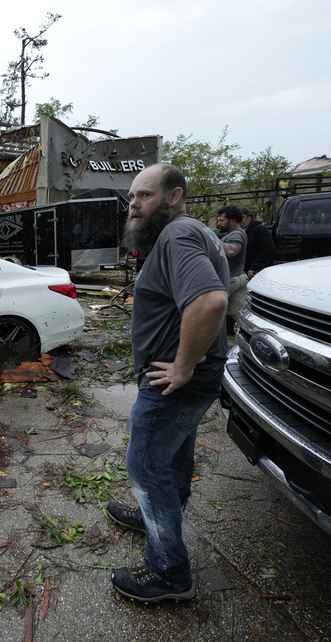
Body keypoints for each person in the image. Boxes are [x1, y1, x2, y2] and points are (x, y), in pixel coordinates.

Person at [107, 163, 229, 604]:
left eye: (145, 195)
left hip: (174, 383)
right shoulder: (195, 232)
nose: (134, 205)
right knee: (173, 459)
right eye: (131, 197)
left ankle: (169, 574)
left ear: (174, 196)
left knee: (144, 466)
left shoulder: (177, 235)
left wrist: (182, 366)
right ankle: (153, 518)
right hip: (194, 379)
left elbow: (211, 300)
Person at [216, 205, 247, 335]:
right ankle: (250, 336)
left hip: (230, 279)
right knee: (236, 314)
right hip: (240, 278)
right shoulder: (236, 233)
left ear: (233, 220)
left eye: (222, 220)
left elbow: (232, 251)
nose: (219, 223)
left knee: (213, 310)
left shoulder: (237, 234)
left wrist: (212, 238)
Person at [238, 207, 275, 280]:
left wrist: (254, 267)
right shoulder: (237, 231)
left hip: (254, 272)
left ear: (244, 217)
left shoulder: (259, 230)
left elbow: (268, 249)